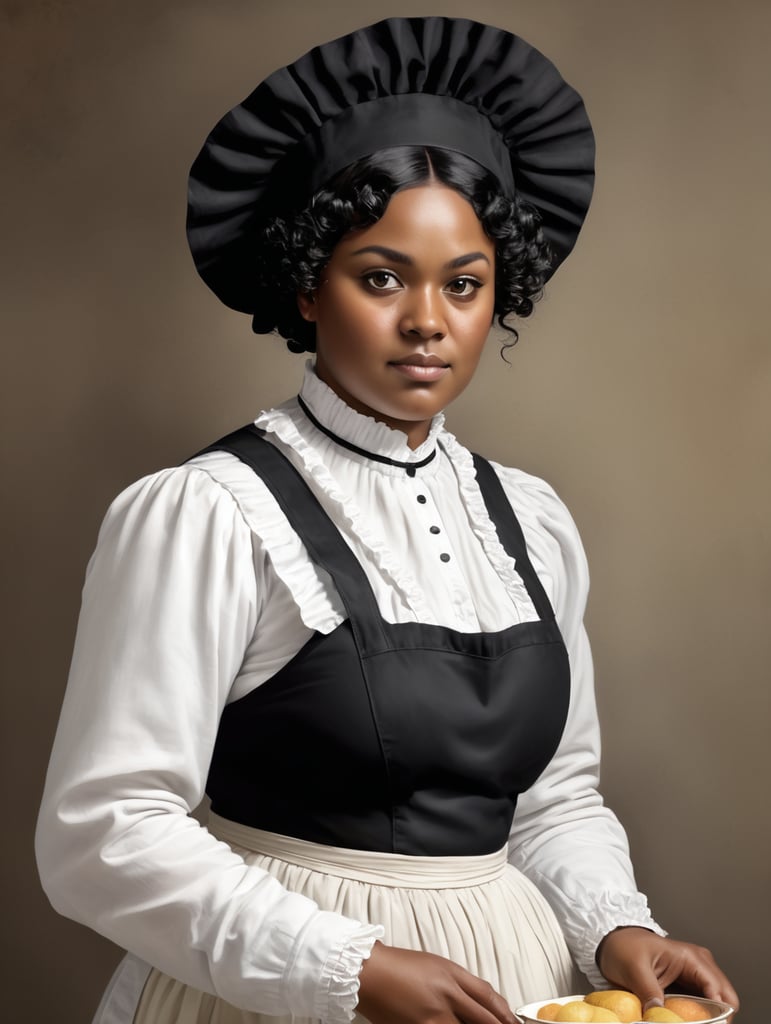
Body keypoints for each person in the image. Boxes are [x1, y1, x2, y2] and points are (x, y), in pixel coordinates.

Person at [35, 16, 738, 1024]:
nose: (426, 321)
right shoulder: (204, 513)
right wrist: (347, 967)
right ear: (307, 286)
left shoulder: (531, 520)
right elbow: (105, 832)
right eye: (380, 277)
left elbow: (553, 797)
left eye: (464, 284)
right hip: (276, 989)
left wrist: (613, 927)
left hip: (517, 977)